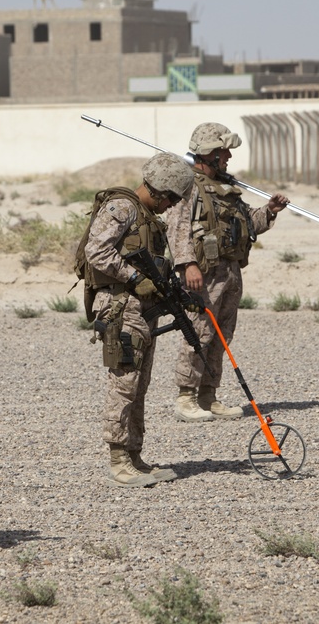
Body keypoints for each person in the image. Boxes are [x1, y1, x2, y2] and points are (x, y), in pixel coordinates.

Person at [84, 152, 196, 487]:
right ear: (160, 190)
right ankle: (118, 460)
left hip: (141, 310)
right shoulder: (123, 208)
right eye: (171, 199)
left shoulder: (147, 217)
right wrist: (134, 279)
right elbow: (97, 251)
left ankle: (134, 455)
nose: (171, 206)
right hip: (120, 307)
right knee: (124, 384)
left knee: (139, 386)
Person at [167, 123, 290, 422]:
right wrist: (187, 264)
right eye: (224, 153)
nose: (228, 159)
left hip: (230, 273)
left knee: (222, 336)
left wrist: (270, 210)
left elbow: (250, 223)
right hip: (203, 275)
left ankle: (209, 396)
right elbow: (177, 229)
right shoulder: (188, 187)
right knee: (198, 334)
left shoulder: (226, 189)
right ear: (208, 154)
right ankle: (186, 397)